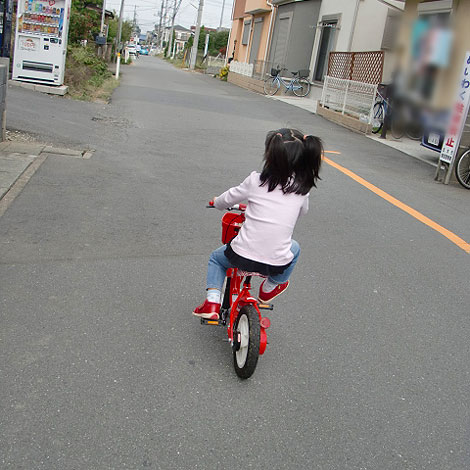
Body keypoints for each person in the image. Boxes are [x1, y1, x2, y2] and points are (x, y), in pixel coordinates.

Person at [193, 128, 323, 320]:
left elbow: (228, 198)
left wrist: (217, 202)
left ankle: (212, 302)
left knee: (216, 259)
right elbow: (301, 213)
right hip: (277, 262)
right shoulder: (302, 190)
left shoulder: (256, 181)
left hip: (241, 255)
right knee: (295, 247)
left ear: (270, 156)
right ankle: (270, 287)